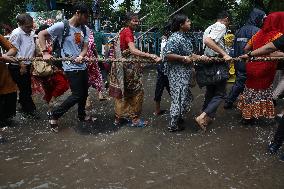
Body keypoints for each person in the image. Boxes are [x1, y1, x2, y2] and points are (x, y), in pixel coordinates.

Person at [38, 2, 90, 132]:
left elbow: (85, 47)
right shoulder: (62, 26)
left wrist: (82, 56)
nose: (87, 19)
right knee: (77, 94)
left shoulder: (85, 29)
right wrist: (45, 53)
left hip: (82, 65)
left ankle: (81, 115)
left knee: (84, 93)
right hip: (70, 66)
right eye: (86, 16)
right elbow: (41, 34)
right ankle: (54, 114)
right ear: (77, 13)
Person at [239, 12, 284, 161]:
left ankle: (247, 117)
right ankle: (257, 116)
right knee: (262, 92)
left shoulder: (258, 33)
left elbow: (246, 48)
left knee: (250, 91)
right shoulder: (278, 34)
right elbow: (275, 53)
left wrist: (253, 56)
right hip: (266, 69)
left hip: (251, 66)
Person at [109, 12, 161, 127]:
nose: (137, 23)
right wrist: (151, 55)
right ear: (127, 21)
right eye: (134, 21)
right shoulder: (127, 31)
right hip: (127, 68)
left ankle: (118, 118)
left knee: (123, 91)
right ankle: (135, 119)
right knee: (137, 92)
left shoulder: (122, 30)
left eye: (137, 20)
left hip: (119, 66)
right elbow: (133, 50)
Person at [163, 14, 206, 132]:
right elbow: (167, 54)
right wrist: (182, 58)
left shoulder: (184, 36)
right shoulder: (175, 38)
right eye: (188, 21)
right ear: (181, 25)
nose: (190, 22)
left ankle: (179, 117)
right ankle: (173, 124)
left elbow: (190, 54)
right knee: (179, 98)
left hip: (184, 73)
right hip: (177, 74)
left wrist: (200, 57)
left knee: (185, 97)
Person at [195, 11, 232, 130]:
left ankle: (205, 116)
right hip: (217, 63)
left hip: (209, 62)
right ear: (225, 19)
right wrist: (224, 54)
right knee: (221, 94)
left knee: (210, 91)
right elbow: (208, 41)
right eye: (228, 22)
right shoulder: (221, 26)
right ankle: (203, 116)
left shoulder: (209, 27)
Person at [224, 8, 266, 109]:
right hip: (250, 61)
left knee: (240, 81)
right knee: (243, 83)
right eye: (262, 19)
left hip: (239, 60)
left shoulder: (239, 30)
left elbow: (234, 47)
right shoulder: (257, 31)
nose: (262, 21)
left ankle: (236, 101)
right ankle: (231, 101)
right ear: (258, 18)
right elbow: (260, 48)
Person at [32, 24, 69, 112]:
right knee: (62, 83)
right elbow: (43, 55)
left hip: (50, 67)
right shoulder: (38, 41)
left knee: (51, 87)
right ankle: (51, 103)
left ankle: (51, 108)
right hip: (44, 68)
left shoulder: (48, 40)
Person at [8, 13, 37, 118]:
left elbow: (30, 47)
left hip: (27, 63)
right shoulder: (16, 33)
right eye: (27, 26)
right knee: (25, 89)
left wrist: (32, 63)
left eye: (31, 26)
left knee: (27, 87)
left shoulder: (30, 32)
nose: (30, 28)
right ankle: (28, 110)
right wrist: (22, 64)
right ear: (20, 25)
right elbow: (13, 50)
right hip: (18, 65)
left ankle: (25, 106)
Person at [0, 34, 17, 143]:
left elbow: (13, 49)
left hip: (3, 75)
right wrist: (2, 57)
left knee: (10, 99)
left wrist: (5, 55)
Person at [153, 23, 171, 116]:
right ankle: (157, 110)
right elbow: (165, 54)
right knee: (169, 87)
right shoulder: (166, 39)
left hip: (162, 65)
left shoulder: (165, 38)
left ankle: (157, 110)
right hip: (165, 65)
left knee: (160, 87)